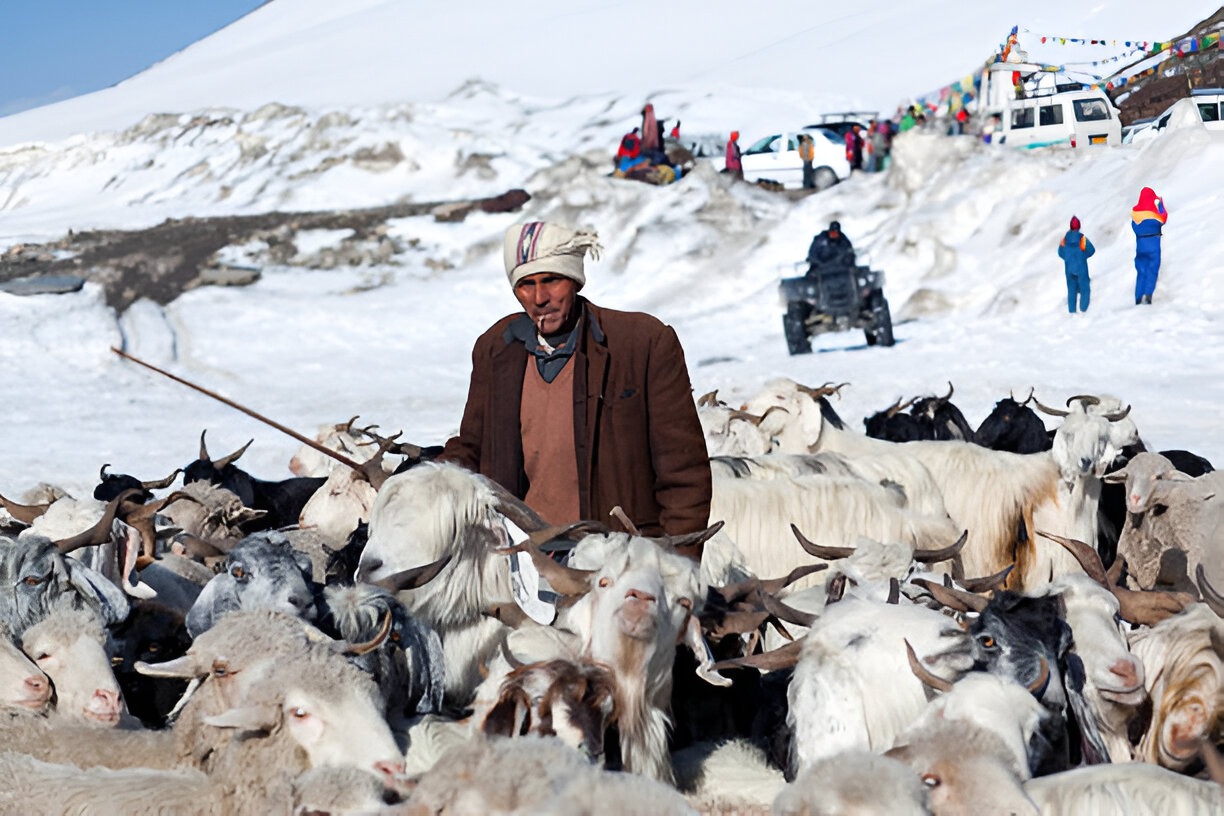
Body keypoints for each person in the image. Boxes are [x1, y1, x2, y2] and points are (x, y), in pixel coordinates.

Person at [437, 222, 713, 557]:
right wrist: (427, 480)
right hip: (521, 558)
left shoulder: (641, 344)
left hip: (620, 560)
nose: (539, 298)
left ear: (574, 280)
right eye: (526, 285)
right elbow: (473, 447)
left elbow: (683, 472)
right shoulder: (496, 349)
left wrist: (678, 566)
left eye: (551, 280)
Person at [1131, 186, 1168, 305]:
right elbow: (1164, 218)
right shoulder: (1155, 216)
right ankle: (1148, 295)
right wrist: (1161, 205)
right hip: (1153, 248)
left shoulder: (1135, 215)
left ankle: (1138, 296)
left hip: (1140, 248)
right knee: (1152, 270)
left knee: (1141, 271)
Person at [1057, 215, 1095, 314]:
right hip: (1081, 268)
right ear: (1079, 226)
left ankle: (1072, 311)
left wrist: (1068, 258)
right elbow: (1091, 250)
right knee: (1085, 289)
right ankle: (1083, 309)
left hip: (1069, 269)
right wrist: (1083, 256)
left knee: (1071, 290)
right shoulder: (1082, 239)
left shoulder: (1065, 240)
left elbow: (1060, 252)